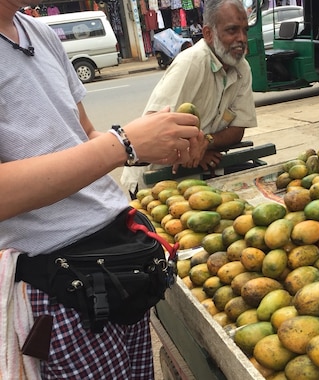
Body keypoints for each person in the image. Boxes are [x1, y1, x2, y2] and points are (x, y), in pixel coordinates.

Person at [0, 1, 200, 378]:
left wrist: (148, 142)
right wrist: (123, 143)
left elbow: (83, 136)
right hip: (59, 288)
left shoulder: (38, 32)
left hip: (119, 264)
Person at [121, 0, 258, 197]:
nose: (242, 38)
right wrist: (190, 148)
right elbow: (152, 127)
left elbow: (237, 130)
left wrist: (205, 142)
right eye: (232, 30)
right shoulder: (191, 63)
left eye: (245, 30)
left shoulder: (242, 69)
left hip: (195, 179)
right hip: (154, 180)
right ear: (209, 34)